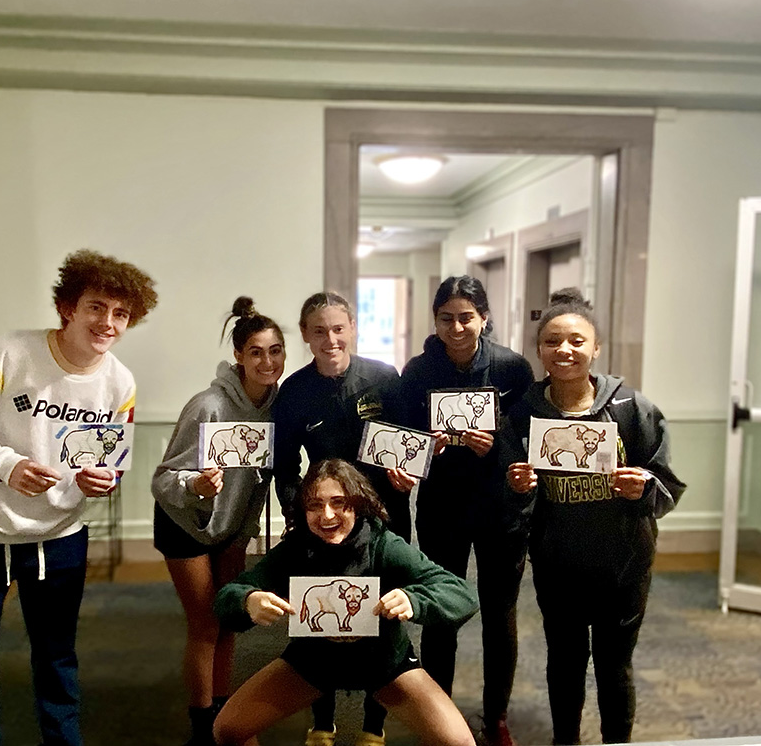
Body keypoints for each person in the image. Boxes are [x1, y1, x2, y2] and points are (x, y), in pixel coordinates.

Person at [0, 249, 158, 746]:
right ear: (68, 308)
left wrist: (98, 480)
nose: (108, 323)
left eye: (121, 314)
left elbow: (111, 458)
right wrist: (7, 467)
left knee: (57, 657)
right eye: (97, 307)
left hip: (58, 540)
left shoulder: (120, 381)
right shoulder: (7, 353)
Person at [499, 288, 686, 745]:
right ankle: (566, 740)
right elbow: (509, 496)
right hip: (557, 561)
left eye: (577, 341)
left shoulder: (630, 409)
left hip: (623, 562)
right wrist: (518, 487)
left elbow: (665, 483)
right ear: (539, 349)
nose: (564, 350)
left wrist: (641, 486)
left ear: (596, 348)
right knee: (564, 659)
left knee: (614, 664)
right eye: (552, 341)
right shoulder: (524, 413)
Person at [212, 459, 479, 746]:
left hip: (384, 664)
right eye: (314, 505)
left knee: (459, 743)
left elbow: (462, 594)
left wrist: (413, 600)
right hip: (312, 662)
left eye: (339, 502)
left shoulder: (384, 545)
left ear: (357, 504)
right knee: (227, 729)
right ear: (303, 510)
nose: (327, 515)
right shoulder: (295, 549)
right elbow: (228, 597)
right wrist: (247, 601)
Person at [395, 275, 534, 746]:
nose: (456, 328)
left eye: (467, 318)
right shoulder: (418, 371)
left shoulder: (513, 370)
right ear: (435, 320)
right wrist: (422, 450)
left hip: (500, 506)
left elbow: (525, 445)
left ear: (484, 318)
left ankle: (495, 716)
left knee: (500, 612)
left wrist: (492, 449)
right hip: (442, 506)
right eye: (446, 318)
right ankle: (440, 712)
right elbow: (404, 437)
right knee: (441, 611)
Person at [272, 291, 414, 746]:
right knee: (322, 611)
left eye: (337, 328)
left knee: (386, 612)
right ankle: (323, 719)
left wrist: (407, 473)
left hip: (385, 513)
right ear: (305, 336)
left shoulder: (384, 378)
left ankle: (375, 722)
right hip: (325, 518)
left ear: (352, 328)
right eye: (319, 331)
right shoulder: (294, 391)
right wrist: (301, 510)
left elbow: (409, 442)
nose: (330, 339)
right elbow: (282, 464)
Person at [150, 297, 286, 746]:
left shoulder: (276, 406)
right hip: (184, 524)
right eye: (256, 352)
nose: (267, 361)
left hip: (230, 528)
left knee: (229, 619)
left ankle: (224, 717)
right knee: (205, 625)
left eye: (275, 351)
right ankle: (200, 728)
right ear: (238, 357)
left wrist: (241, 533)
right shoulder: (207, 406)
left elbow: (259, 479)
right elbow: (162, 480)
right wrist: (196, 487)